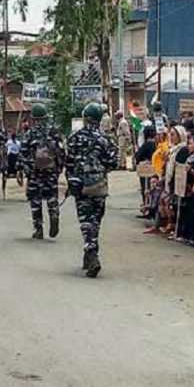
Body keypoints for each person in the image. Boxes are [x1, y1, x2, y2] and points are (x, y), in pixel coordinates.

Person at [66, 102, 119, 278]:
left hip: (81, 185)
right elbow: (113, 162)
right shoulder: (106, 139)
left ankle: (91, 252)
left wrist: (71, 180)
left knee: (85, 221)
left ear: (84, 118)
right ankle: (90, 252)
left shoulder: (74, 137)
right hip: (99, 185)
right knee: (96, 220)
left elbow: (69, 163)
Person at [20, 104, 65, 240]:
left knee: (35, 200)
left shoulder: (29, 134)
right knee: (52, 197)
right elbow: (61, 152)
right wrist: (58, 169)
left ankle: (38, 229)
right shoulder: (54, 133)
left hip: (34, 173)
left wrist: (25, 170)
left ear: (33, 118)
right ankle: (54, 214)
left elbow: (23, 154)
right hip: (51, 172)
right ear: (45, 117)